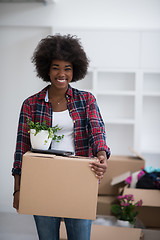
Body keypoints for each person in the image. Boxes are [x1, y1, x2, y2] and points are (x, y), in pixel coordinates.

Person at [12, 34, 111, 240]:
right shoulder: (31, 104)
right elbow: (21, 148)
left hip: (79, 178)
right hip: (43, 181)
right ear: (47, 69)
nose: (61, 73)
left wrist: (101, 154)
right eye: (56, 67)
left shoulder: (86, 100)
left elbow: (96, 131)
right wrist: (18, 190)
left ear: (75, 71)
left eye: (67, 68)